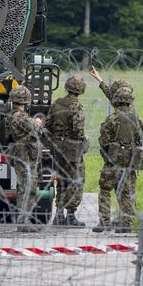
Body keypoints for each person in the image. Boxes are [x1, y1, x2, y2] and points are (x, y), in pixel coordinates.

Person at [93, 87, 143, 233]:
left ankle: (104, 221)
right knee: (127, 192)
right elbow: (140, 140)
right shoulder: (137, 120)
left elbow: (103, 140)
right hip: (130, 163)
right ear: (129, 102)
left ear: (115, 102)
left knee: (105, 189)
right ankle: (127, 223)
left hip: (113, 162)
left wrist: (108, 155)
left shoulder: (111, 120)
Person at [46, 75, 87, 227]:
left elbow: (48, 123)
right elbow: (78, 130)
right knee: (76, 180)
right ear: (81, 89)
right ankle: (70, 215)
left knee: (62, 180)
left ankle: (59, 214)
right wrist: (83, 138)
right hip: (72, 148)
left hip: (57, 146)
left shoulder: (57, 103)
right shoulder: (76, 106)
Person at [7, 85, 43, 232]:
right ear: (25, 100)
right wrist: (38, 124)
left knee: (26, 186)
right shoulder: (20, 116)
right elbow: (34, 131)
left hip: (24, 154)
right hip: (25, 155)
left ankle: (24, 220)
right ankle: (24, 221)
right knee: (27, 187)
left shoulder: (15, 115)